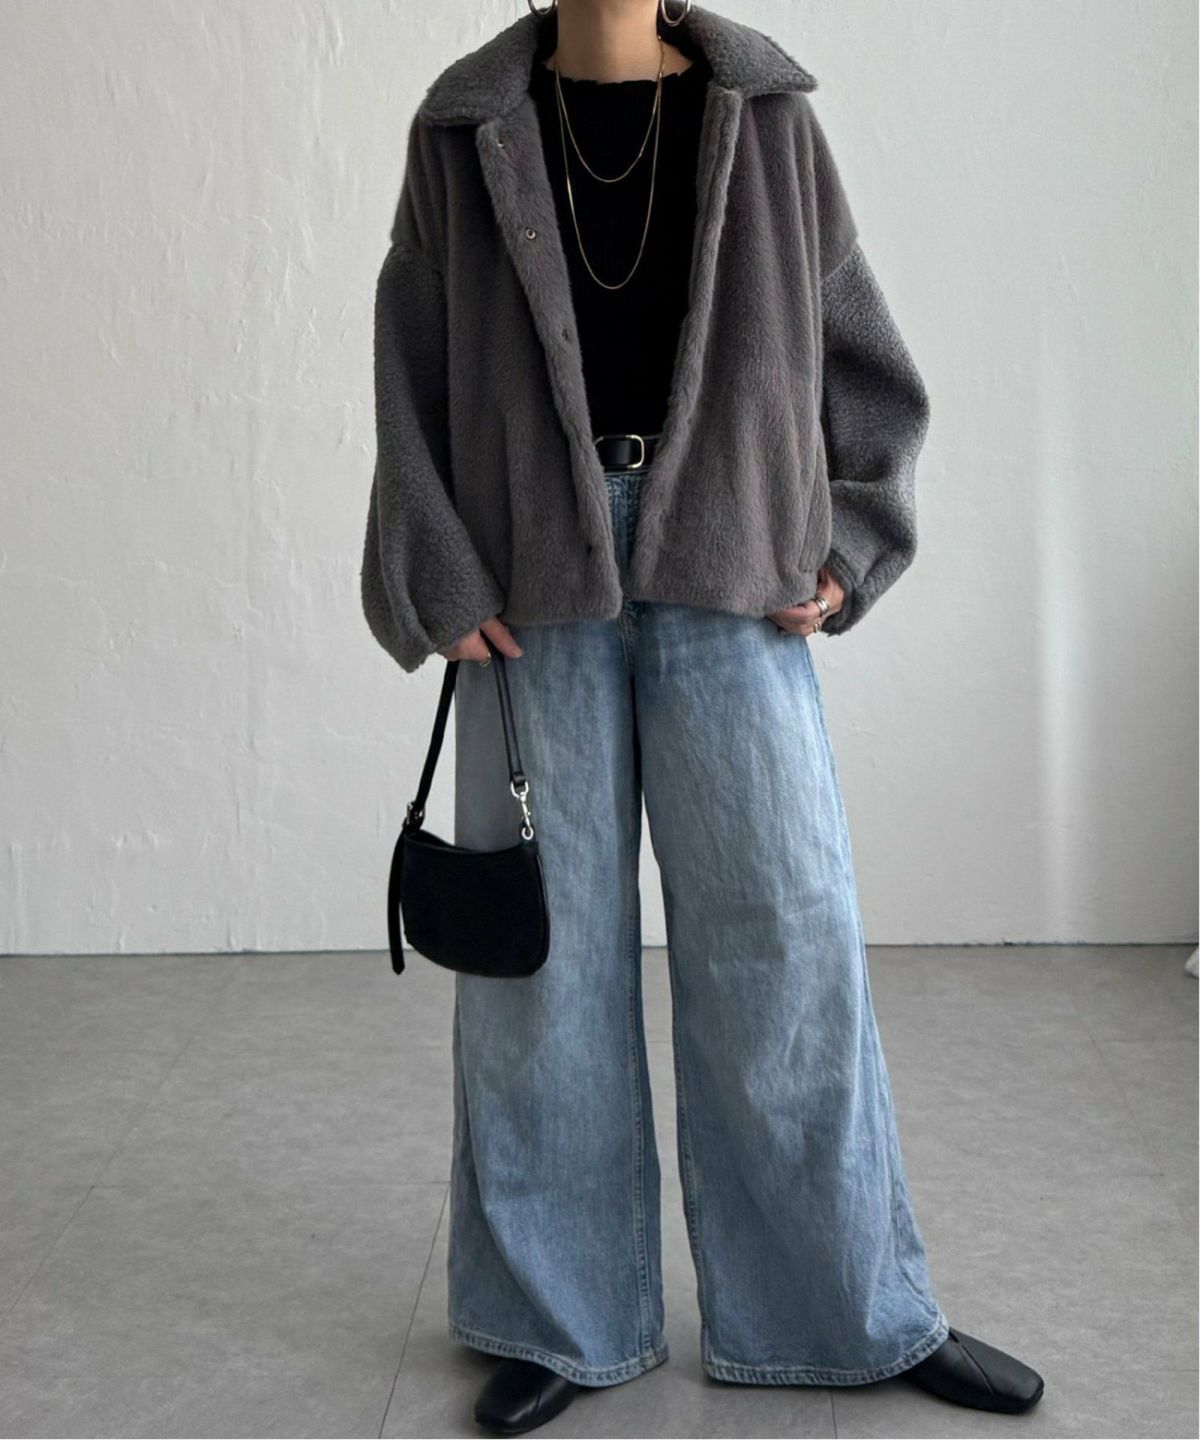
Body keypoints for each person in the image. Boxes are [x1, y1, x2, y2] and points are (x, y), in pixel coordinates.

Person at [361, 2, 1045, 1434]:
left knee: (785, 940)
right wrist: (438, 572)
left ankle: (845, 1309)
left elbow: (862, 353)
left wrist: (850, 537)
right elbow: (411, 361)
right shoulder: (464, 128)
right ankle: (557, 1316)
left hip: (734, 568)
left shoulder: (769, 116)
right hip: (532, 582)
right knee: (542, 969)